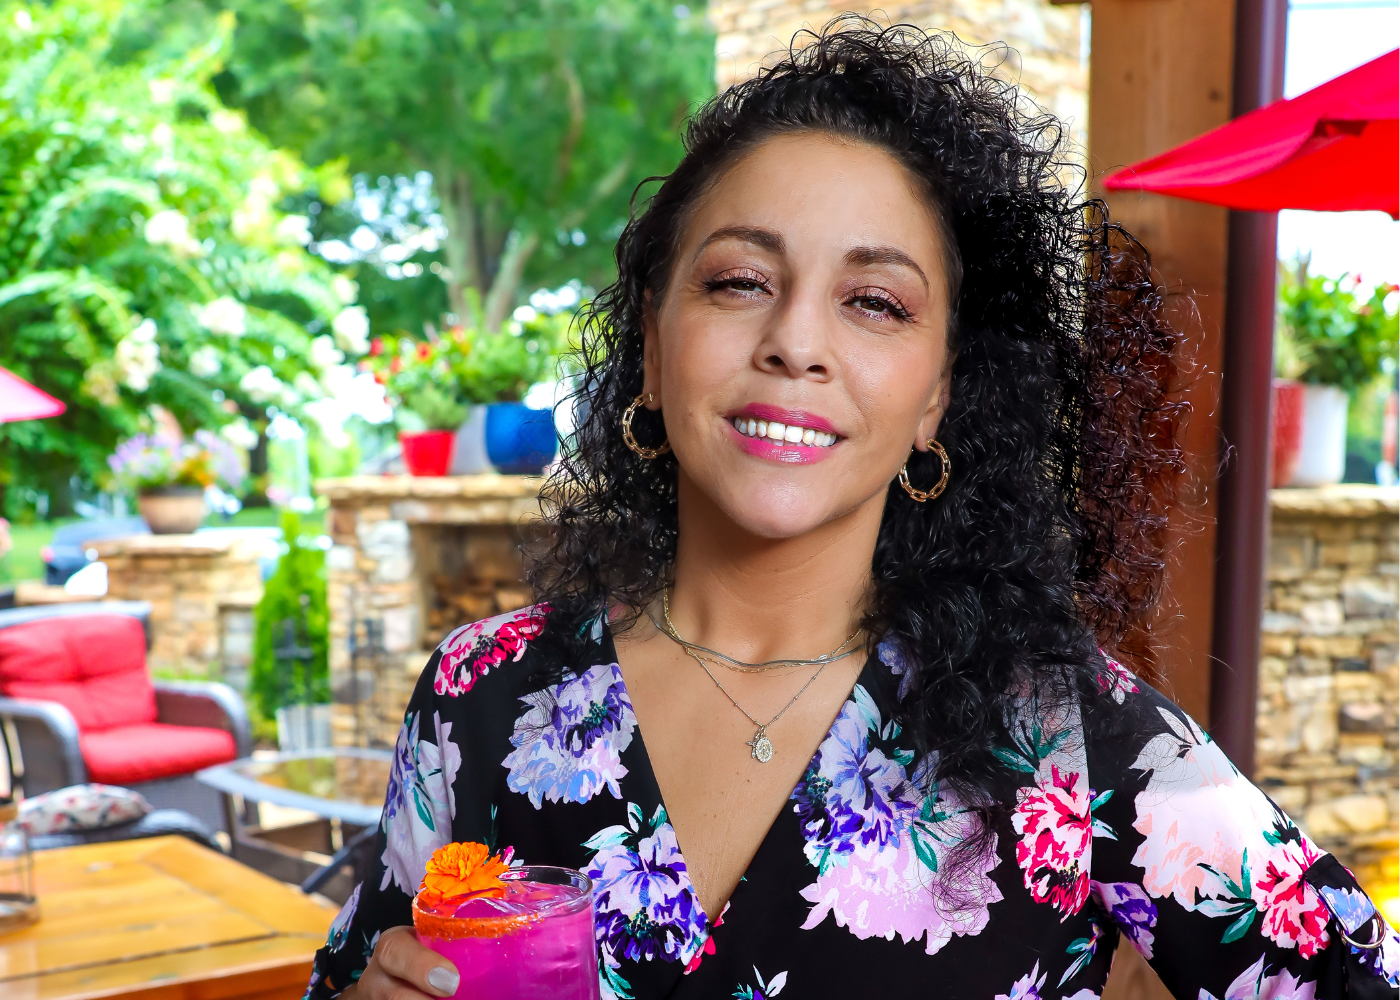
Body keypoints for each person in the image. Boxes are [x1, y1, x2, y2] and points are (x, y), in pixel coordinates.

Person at [309, 20, 1398, 1000]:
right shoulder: (480, 698)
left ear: (936, 396)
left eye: (873, 302)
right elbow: (351, 975)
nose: (796, 341)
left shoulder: (1061, 734)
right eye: (738, 280)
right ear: (650, 345)